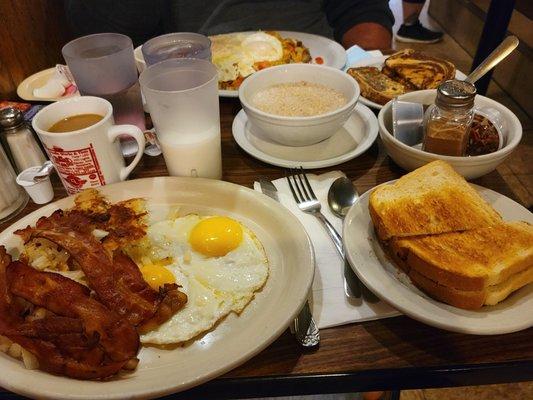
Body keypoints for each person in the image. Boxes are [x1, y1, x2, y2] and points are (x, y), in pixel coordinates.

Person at [64, 0, 394, 50]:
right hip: (196, 91)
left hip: (319, 73)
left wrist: (360, 73)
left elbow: (364, 14)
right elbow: (108, 36)